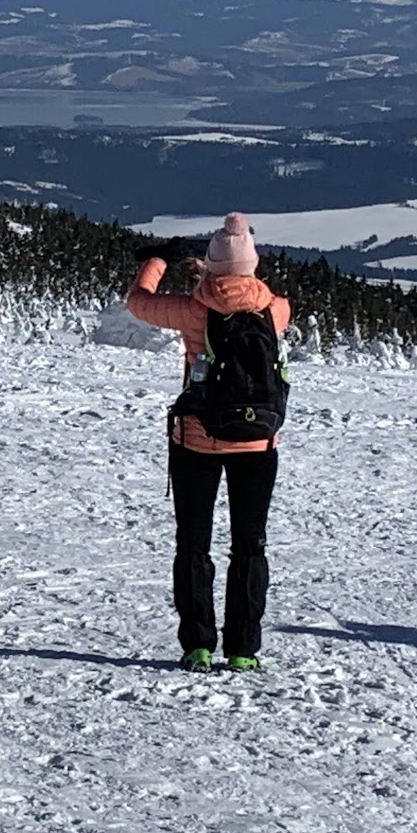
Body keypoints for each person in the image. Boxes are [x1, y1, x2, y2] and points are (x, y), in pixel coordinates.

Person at [126, 214, 291, 673]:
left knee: (194, 544)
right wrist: (221, 272)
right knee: (249, 545)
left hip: (197, 439)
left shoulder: (191, 309)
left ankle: (198, 644)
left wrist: (160, 259)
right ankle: (243, 650)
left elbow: (138, 302)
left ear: (213, 265)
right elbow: (243, 288)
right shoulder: (275, 309)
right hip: (258, 443)